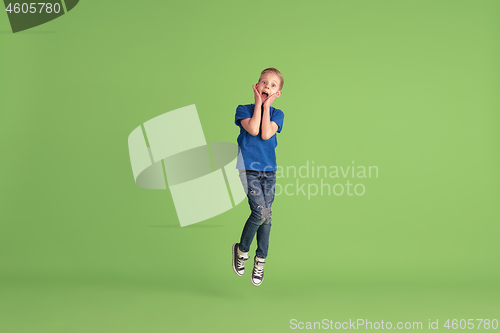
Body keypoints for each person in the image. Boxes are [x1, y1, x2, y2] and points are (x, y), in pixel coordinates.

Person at [232, 68, 285, 286]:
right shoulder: (243, 109)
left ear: (278, 92)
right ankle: (242, 250)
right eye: (264, 82)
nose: (267, 87)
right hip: (248, 169)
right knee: (260, 212)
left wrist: (266, 106)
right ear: (257, 85)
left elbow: (266, 133)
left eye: (273, 85)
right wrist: (257, 104)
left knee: (267, 216)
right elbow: (254, 130)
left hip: (269, 171)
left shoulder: (277, 114)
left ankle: (260, 260)